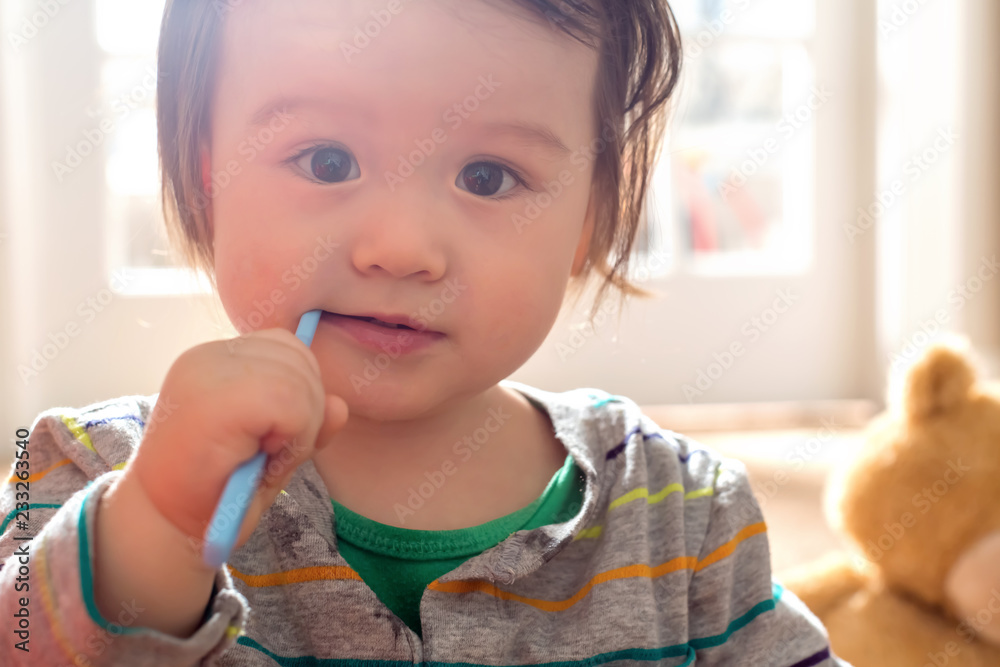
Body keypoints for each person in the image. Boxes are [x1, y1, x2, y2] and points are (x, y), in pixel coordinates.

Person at [0, 0, 850, 664]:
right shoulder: (89, 468)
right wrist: (156, 525)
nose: (401, 248)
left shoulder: (684, 511)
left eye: (489, 176)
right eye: (327, 160)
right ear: (205, 174)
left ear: (591, 216)